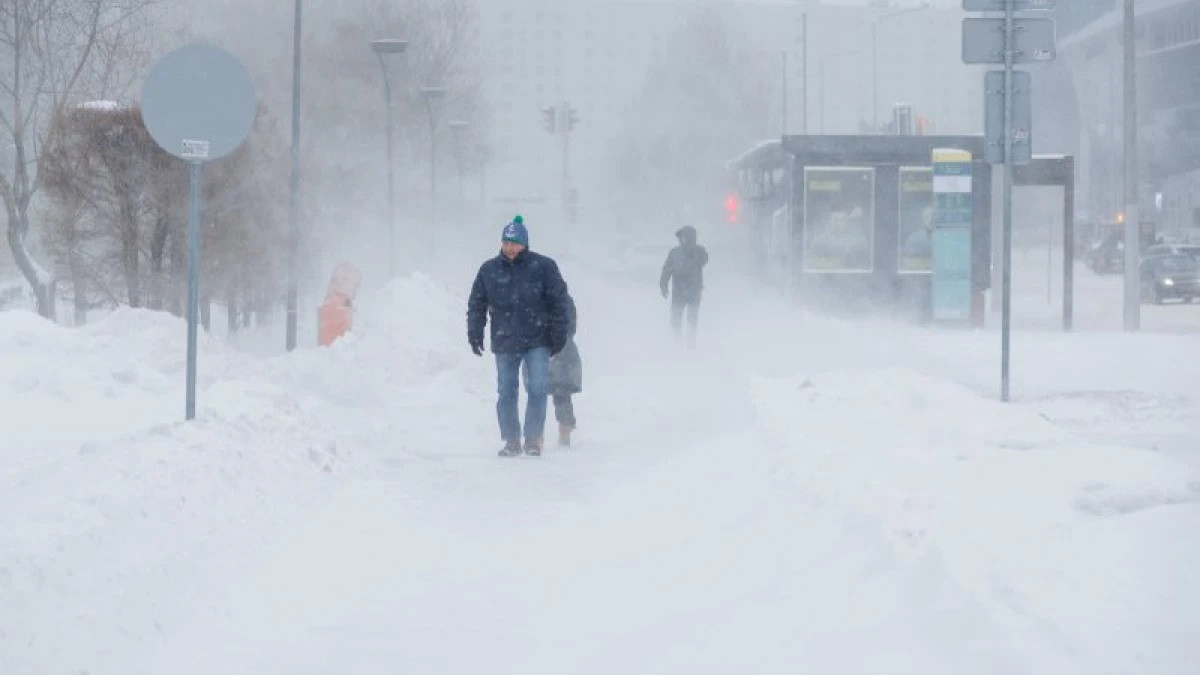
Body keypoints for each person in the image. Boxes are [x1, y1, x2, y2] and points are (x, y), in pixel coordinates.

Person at [467, 215, 572, 457]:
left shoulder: (544, 267)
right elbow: (477, 303)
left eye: (514, 243)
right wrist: (475, 331)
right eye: (506, 242)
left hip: (538, 340)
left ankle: (533, 439)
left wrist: (559, 334)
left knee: (537, 388)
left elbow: (559, 302)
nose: (510, 247)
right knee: (506, 391)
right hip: (505, 341)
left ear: (525, 244)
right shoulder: (489, 270)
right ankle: (511, 440)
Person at [524, 294, 582, 447]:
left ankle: (538, 437)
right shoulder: (565, 299)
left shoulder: (533, 296)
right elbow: (571, 327)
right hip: (562, 348)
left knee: (537, 395)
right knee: (562, 395)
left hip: (538, 348)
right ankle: (565, 432)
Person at [659, 225, 709, 348]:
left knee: (692, 319)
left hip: (693, 291)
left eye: (685, 238)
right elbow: (666, 270)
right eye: (681, 238)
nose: (682, 240)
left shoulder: (699, 251)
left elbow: (704, 259)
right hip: (679, 291)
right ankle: (677, 341)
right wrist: (663, 286)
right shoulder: (674, 253)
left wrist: (693, 251)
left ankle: (691, 342)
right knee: (676, 318)